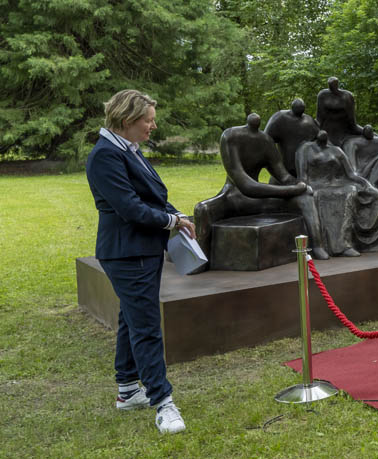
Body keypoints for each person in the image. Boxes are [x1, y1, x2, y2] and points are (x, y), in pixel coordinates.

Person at [86, 90, 192, 435]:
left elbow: (152, 196)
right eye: (148, 120)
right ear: (127, 120)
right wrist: (172, 221)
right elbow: (130, 208)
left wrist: (175, 213)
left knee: (131, 319)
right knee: (145, 326)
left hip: (141, 250)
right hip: (128, 253)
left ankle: (128, 390)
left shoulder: (127, 148)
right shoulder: (105, 155)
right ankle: (163, 403)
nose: (153, 126)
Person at [194, 113, 328, 262]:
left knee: (305, 198)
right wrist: (292, 190)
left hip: (257, 201)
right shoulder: (230, 136)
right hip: (233, 198)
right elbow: (246, 185)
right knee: (202, 209)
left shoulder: (265, 141)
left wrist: (300, 185)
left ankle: (318, 246)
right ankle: (201, 258)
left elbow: (284, 177)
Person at [264, 98, 320, 176]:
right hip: (289, 167)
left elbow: (319, 140)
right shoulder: (280, 118)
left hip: (304, 168)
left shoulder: (309, 122)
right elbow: (266, 140)